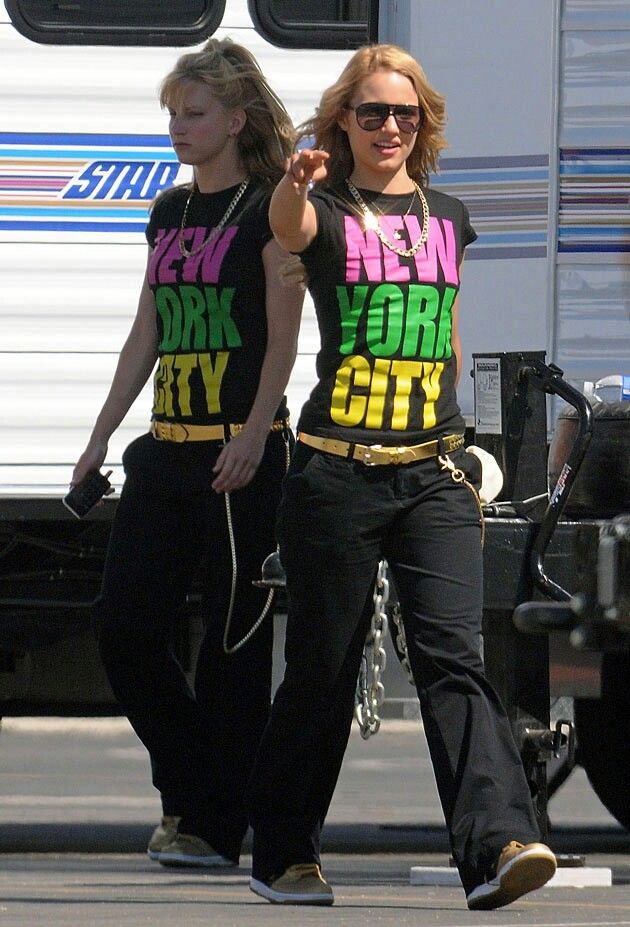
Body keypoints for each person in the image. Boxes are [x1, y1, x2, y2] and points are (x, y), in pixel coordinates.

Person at [246, 43, 557, 909]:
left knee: (457, 657)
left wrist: (466, 442)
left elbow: (451, 334)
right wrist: (297, 180)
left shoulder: (449, 215)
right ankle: (285, 854)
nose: (390, 126)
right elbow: (285, 229)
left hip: (431, 472)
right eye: (373, 112)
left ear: (424, 125)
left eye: (406, 114)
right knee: (322, 669)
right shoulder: (325, 208)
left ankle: (499, 843)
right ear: (343, 120)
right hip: (336, 474)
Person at [71, 37, 303, 869]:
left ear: (236, 119)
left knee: (233, 649)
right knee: (124, 627)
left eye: (194, 113)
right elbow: (148, 331)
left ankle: (209, 825)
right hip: (166, 452)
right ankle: (196, 785)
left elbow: (283, 339)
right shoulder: (169, 211)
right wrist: (99, 434)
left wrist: (252, 432)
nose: (178, 127)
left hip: (240, 458)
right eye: (172, 114)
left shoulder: (272, 207)